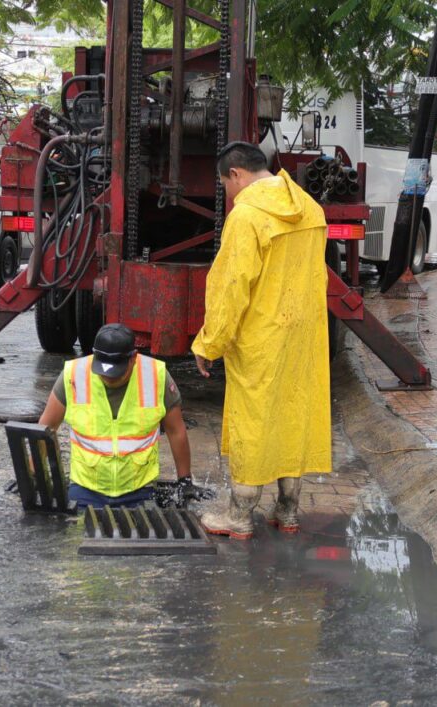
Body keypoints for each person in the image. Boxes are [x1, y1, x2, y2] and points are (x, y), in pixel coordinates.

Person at [193, 142, 331, 539]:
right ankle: (287, 509)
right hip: (304, 335)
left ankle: (239, 514)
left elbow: (232, 286)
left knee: (253, 419)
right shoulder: (310, 208)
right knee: (294, 413)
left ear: (236, 173)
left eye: (225, 185)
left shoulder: (248, 216)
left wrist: (210, 342)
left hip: (261, 335)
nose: (228, 194)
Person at [37, 323, 193, 509]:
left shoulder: (155, 376)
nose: (108, 377)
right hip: (85, 489)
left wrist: (185, 480)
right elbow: (46, 428)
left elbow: (176, 431)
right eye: (103, 372)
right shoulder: (74, 375)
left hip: (139, 490)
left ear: (133, 358)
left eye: (116, 373)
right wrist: (32, 473)